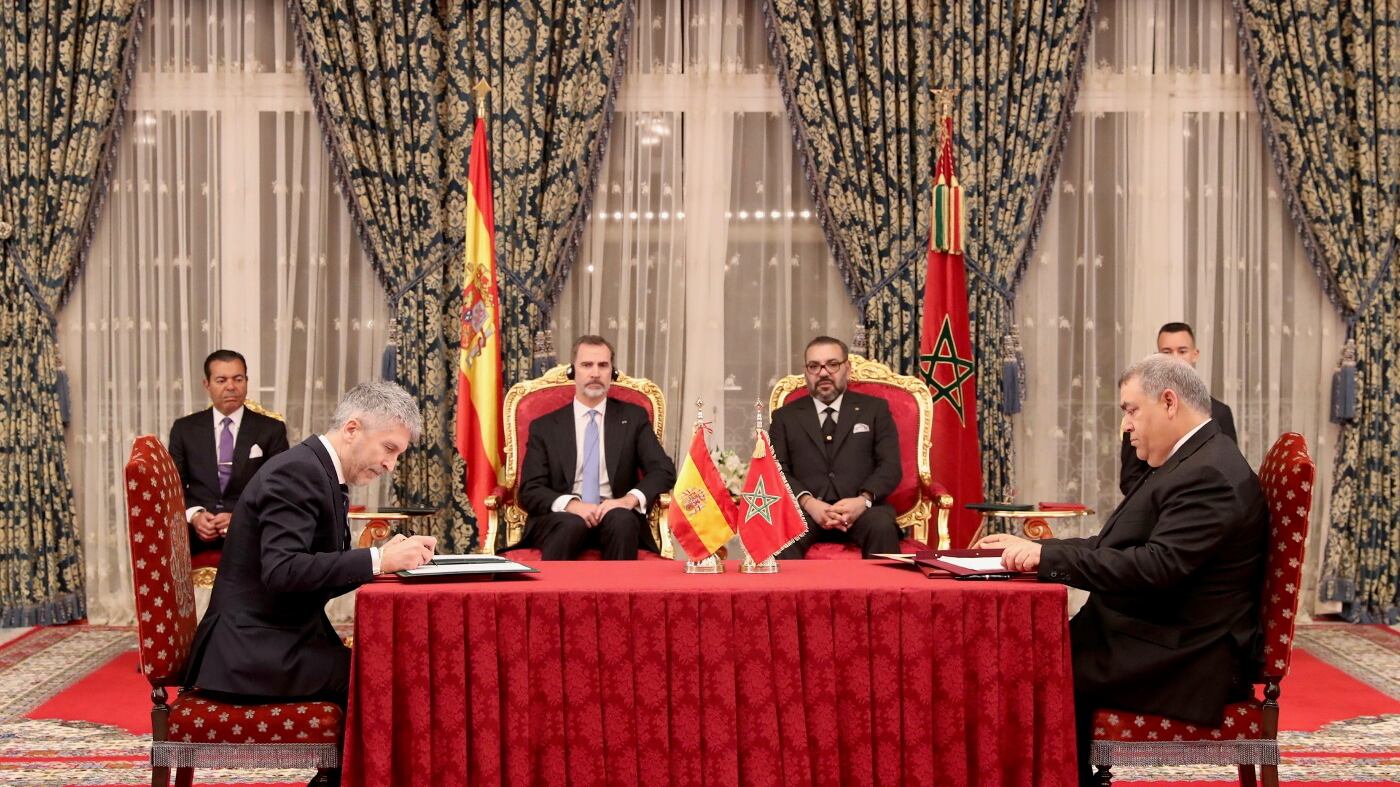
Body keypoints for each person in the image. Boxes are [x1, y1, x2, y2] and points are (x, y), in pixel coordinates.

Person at [976, 354, 1267, 786]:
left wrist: (1046, 559)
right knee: (1025, 653)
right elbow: (1116, 545)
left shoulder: (1209, 474)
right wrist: (1037, 549)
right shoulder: (1190, 459)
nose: (1126, 426)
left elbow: (1156, 566)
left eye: (1131, 410)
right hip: (1154, 632)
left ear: (1169, 402)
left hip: (1183, 655)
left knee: (1031, 670)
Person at [185, 380, 436, 705]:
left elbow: (315, 571)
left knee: (396, 663)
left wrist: (385, 559)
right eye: (389, 448)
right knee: (395, 678)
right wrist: (378, 559)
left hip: (275, 637)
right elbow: (283, 570)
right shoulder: (297, 472)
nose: (391, 465)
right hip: (251, 652)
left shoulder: (320, 471)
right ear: (352, 429)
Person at [511, 335, 676, 559]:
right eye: (587, 365)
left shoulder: (633, 418)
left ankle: (622, 584)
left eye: (603, 365)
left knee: (622, 520)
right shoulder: (545, 427)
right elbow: (530, 489)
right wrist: (572, 505)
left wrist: (627, 501)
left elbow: (663, 470)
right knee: (571, 525)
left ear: (612, 372)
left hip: (615, 515)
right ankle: (553, 584)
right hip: (562, 519)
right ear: (573, 371)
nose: (595, 373)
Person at [769, 336, 902, 558]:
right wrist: (808, 502)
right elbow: (777, 469)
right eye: (814, 366)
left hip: (863, 509)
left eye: (832, 364)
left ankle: (886, 585)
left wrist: (863, 501)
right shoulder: (785, 417)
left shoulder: (875, 410)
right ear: (806, 372)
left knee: (881, 525)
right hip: (806, 510)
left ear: (847, 368)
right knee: (782, 533)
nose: (823, 373)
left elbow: (890, 466)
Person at [168, 350, 290, 556]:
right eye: (221, 380)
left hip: (251, 531)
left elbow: (280, 486)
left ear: (246, 381)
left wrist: (240, 516)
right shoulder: (184, 429)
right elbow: (174, 486)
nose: (231, 386)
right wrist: (195, 515)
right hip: (196, 533)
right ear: (207, 384)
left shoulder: (271, 429)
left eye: (238, 379)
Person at [1120, 322, 1236, 494]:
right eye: (1167, 352)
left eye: (1182, 351)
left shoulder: (1220, 412)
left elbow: (1228, 469)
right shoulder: (1139, 410)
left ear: (1195, 355)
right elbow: (1130, 477)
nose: (1175, 358)